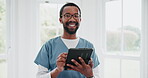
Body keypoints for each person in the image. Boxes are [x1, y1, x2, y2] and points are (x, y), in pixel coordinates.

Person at [34, 2, 100, 78]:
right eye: (67, 15)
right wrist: (57, 70)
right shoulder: (49, 46)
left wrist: (90, 75)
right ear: (60, 20)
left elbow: (96, 76)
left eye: (76, 16)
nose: (72, 19)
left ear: (80, 19)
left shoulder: (89, 46)